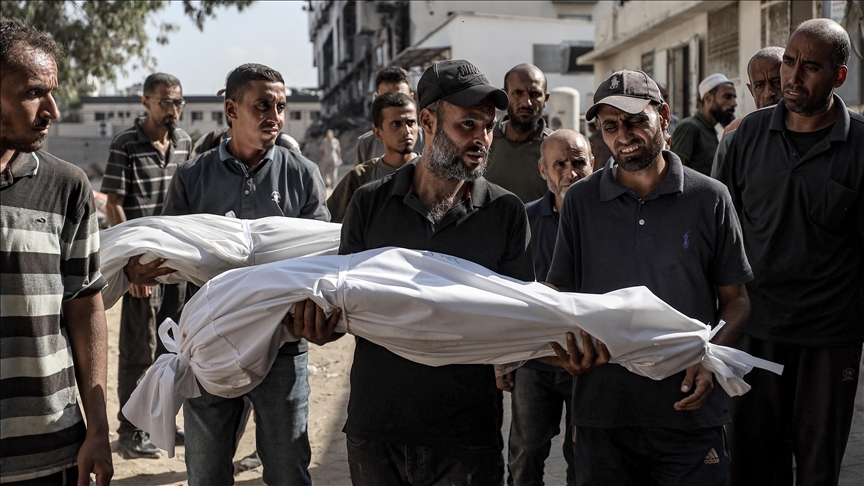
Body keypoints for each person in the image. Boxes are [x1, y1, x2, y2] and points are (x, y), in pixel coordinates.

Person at [290, 59, 533, 484]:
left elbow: (521, 317)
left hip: (468, 437)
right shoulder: (369, 204)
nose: (482, 138)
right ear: (428, 122)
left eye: (489, 126)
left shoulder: (505, 212)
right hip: (377, 431)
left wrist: (524, 351)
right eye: (468, 124)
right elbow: (345, 306)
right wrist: (319, 326)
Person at [546, 70, 753, 485]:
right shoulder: (580, 201)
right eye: (610, 126)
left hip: (689, 410)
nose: (623, 135)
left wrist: (710, 358)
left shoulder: (710, 197)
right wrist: (559, 350)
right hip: (604, 413)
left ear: (665, 116)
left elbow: (737, 300)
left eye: (636, 120)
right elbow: (560, 295)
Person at [134, 63, 329, 485]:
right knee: (206, 473)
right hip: (209, 344)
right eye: (262, 105)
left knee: (287, 471)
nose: (274, 116)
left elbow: (321, 262)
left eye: (280, 107)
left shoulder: (303, 174)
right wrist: (142, 268)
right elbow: (171, 255)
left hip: (282, 344)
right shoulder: (192, 177)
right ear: (231, 109)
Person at [715, 19, 863, 486]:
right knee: (752, 464)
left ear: (839, 75)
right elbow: (722, 233)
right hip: (754, 331)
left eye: (810, 67)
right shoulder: (747, 136)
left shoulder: (861, 145)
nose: (792, 77)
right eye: (789, 62)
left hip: (829, 339)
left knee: (818, 469)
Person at [0, 16, 113, 485]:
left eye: (52, 92)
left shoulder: (66, 186)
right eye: (33, 93)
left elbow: (85, 306)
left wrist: (99, 429)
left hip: (50, 447)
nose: (53, 110)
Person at [100, 71, 192, 459]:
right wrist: (132, 262)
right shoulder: (126, 143)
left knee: (172, 348)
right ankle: (129, 432)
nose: (172, 109)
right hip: (142, 266)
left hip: (178, 264)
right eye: (164, 102)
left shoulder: (185, 143)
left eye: (177, 102)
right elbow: (113, 204)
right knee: (139, 349)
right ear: (146, 102)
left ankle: (160, 422)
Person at [504, 129, 593, 486]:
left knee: (584, 459)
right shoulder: (523, 221)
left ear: (593, 164)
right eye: (560, 164)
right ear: (543, 170)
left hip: (591, 360)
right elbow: (507, 293)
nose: (571, 172)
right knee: (525, 456)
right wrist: (503, 356)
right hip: (535, 360)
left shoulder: (608, 221)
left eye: (579, 162)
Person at [327, 91, 419, 222]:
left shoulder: (433, 174)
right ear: (378, 133)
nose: (406, 131)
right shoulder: (361, 177)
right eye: (396, 124)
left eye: (411, 123)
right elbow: (327, 221)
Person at [710, 47, 783, 177]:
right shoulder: (735, 132)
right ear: (751, 90)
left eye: (777, 82)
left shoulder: (811, 127)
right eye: (759, 86)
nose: (768, 94)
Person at [484, 63, 553, 203]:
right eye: (518, 93)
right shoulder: (482, 141)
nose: (526, 103)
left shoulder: (555, 147)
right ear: (505, 96)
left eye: (535, 94)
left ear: (545, 99)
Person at [354, 66, 424, 165]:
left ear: (411, 98)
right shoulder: (366, 144)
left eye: (401, 97)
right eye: (386, 99)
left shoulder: (430, 140)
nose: (394, 104)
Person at [670, 73, 737, 175]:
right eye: (727, 97)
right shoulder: (689, 126)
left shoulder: (710, 129)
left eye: (734, 97)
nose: (734, 103)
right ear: (707, 98)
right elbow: (676, 171)